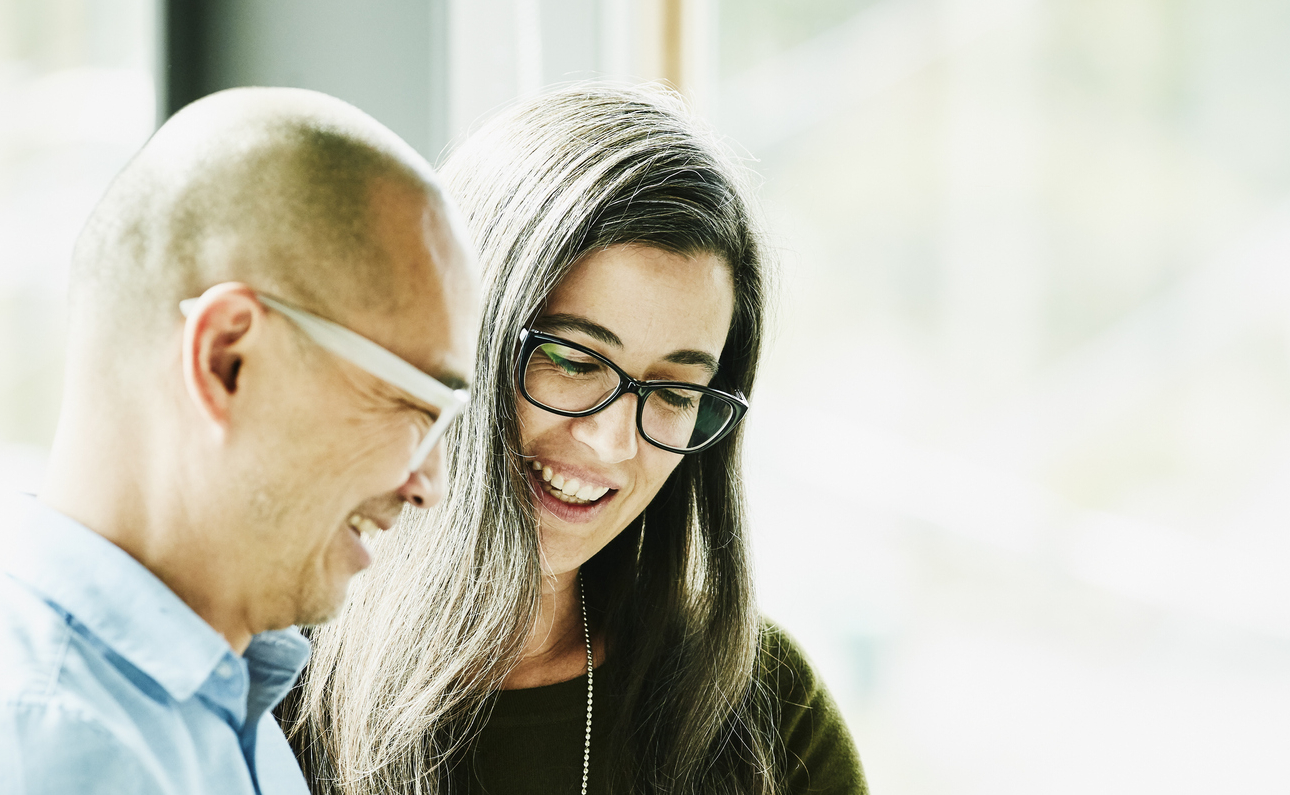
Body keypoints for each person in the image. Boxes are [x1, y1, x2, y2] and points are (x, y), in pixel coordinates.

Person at [0, 87, 479, 794]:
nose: (430, 484)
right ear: (226, 360)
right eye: (413, 406)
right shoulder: (45, 752)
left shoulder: (203, 706)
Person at [288, 84, 867, 795]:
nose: (612, 442)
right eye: (572, 361)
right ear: (456, 329)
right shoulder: (264, 667)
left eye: (676, 392)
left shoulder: (762, 709)